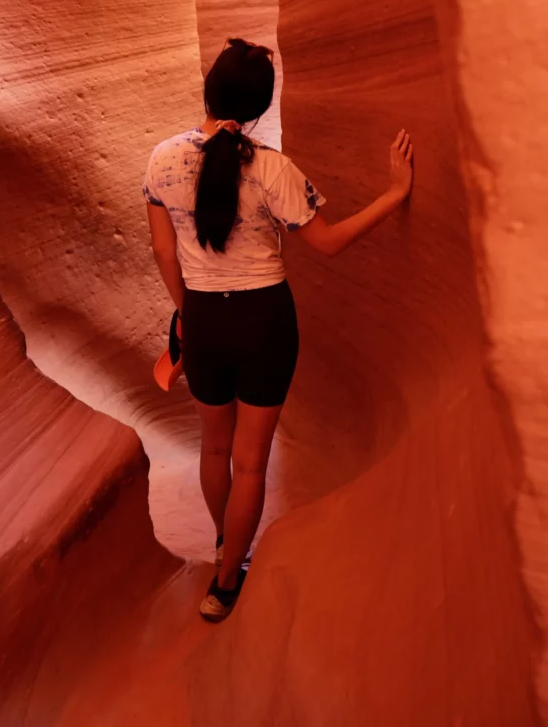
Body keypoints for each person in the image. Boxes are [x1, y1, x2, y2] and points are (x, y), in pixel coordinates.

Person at [142, 38, 413, 622]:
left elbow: (166, 253)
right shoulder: (270, 168)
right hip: (264, 321)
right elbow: (330, 242)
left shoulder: (162, 161)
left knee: (213, 447)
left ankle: (225, 552)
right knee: (252, 462)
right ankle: (227, 581)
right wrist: (394, 195)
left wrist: (187, 313)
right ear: (261, 107)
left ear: (208, 91)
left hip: (205, 319)